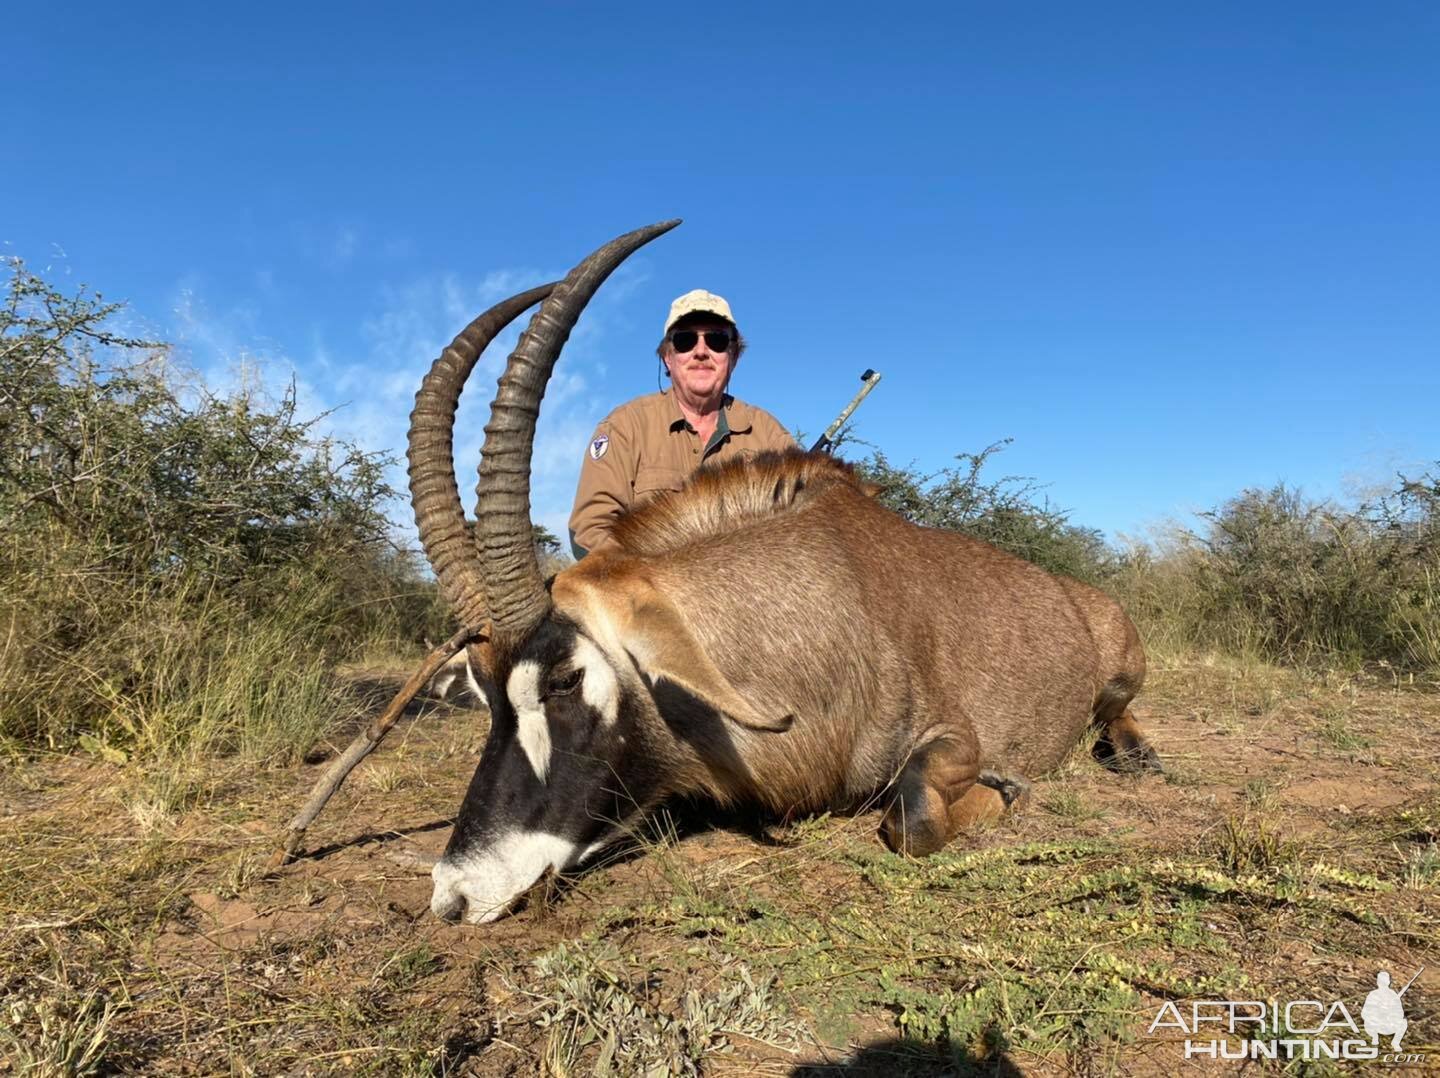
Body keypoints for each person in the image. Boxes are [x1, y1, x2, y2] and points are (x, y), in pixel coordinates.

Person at [568, 289, 795, 557]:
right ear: (668, 357)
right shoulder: (624, 426)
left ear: (733, 356)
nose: (701, 351)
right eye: (685, 340)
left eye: (717, 340)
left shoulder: (769, 434)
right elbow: (590, 529)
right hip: (648, 592)